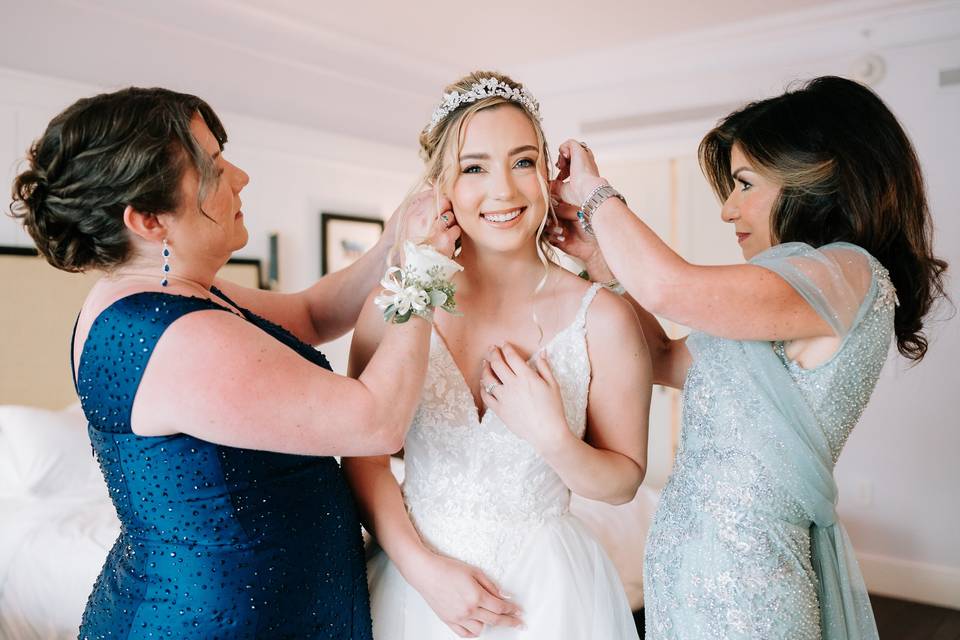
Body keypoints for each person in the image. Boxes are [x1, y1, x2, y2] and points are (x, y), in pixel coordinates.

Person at [10, 86, 461, 639]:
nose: (240, 177)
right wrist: (423, 269)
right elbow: (377, 421)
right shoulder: (176, 339)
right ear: (149, 220)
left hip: (253, 597)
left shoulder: (163, 293)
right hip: (223, 618)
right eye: (214, 168)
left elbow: (312, 313)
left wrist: (393, 238)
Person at [545, 76, 948, 639]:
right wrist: (603, 264)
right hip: (690, 578)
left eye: (743, 184)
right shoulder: (791, 292)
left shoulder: (847, 272)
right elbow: (659, 356)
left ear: (818, 176)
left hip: (748, 589)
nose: (728, 210)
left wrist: (595, 194)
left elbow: (670, 288)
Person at [342, 72, 651, 639]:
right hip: (414, 589)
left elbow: (623, 482)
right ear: (443, 186)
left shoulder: (601, 317)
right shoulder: (397, 302)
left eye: (524, 161)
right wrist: (422, 569)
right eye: (475, 167)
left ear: (547, 177)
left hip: (550, 599)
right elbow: (362, 459)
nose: (504, 191)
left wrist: (554, 439)